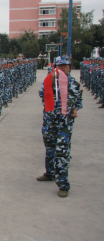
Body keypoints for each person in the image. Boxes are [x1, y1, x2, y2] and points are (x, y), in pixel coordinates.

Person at [37, 56, 83, 198]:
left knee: (61, 153)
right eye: (59, 65)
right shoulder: (49, 82)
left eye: (65, 65)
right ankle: (49, 173)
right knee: (50, 149)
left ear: (70, 66)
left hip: (65, 123)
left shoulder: (73, 84)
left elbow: (78, 101)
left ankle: (63, 184)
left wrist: (75, 110)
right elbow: (42, 94)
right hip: (50, 122)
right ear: (54, 67)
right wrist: (51, 79)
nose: (62, 67)